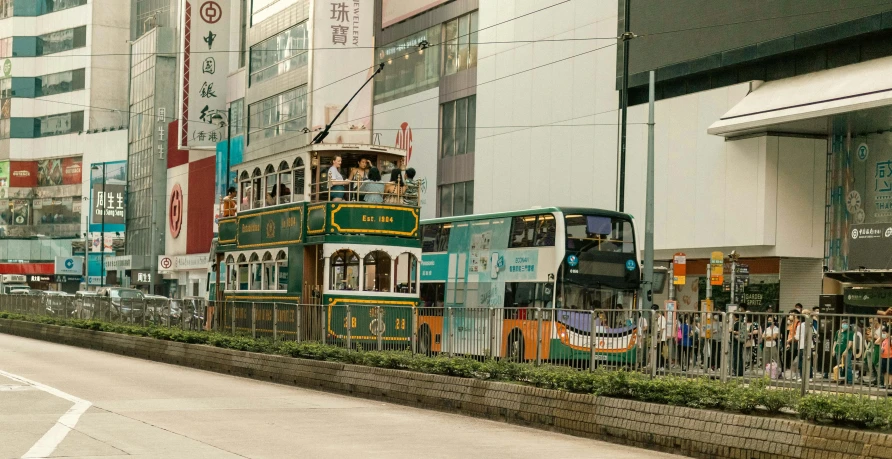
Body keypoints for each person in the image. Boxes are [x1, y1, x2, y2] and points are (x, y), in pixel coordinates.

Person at [832, 318, 855, 384]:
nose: (844, 324)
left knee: (848, 365)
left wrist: (846, 350)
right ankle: (841, 379)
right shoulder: (838, 332)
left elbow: (850, 342)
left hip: (846, 351)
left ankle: (849, 380)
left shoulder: (850, 332)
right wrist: (833, 349)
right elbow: (835, 341)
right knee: (840, 365)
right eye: (843, 323)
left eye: (846, 323)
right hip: (838, 350)